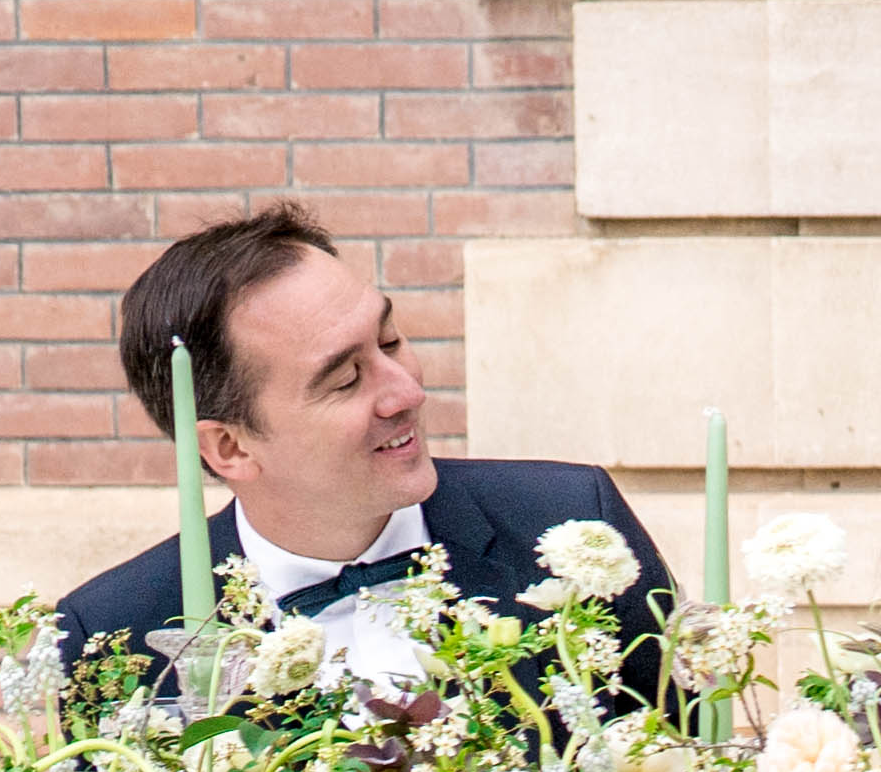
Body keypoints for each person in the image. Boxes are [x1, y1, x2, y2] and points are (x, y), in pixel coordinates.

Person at [56, 207, 675, 689]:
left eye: (391, 339)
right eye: (346, 380)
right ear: (229, 448)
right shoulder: (112, 635)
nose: (406, 392)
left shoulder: (569, 524)